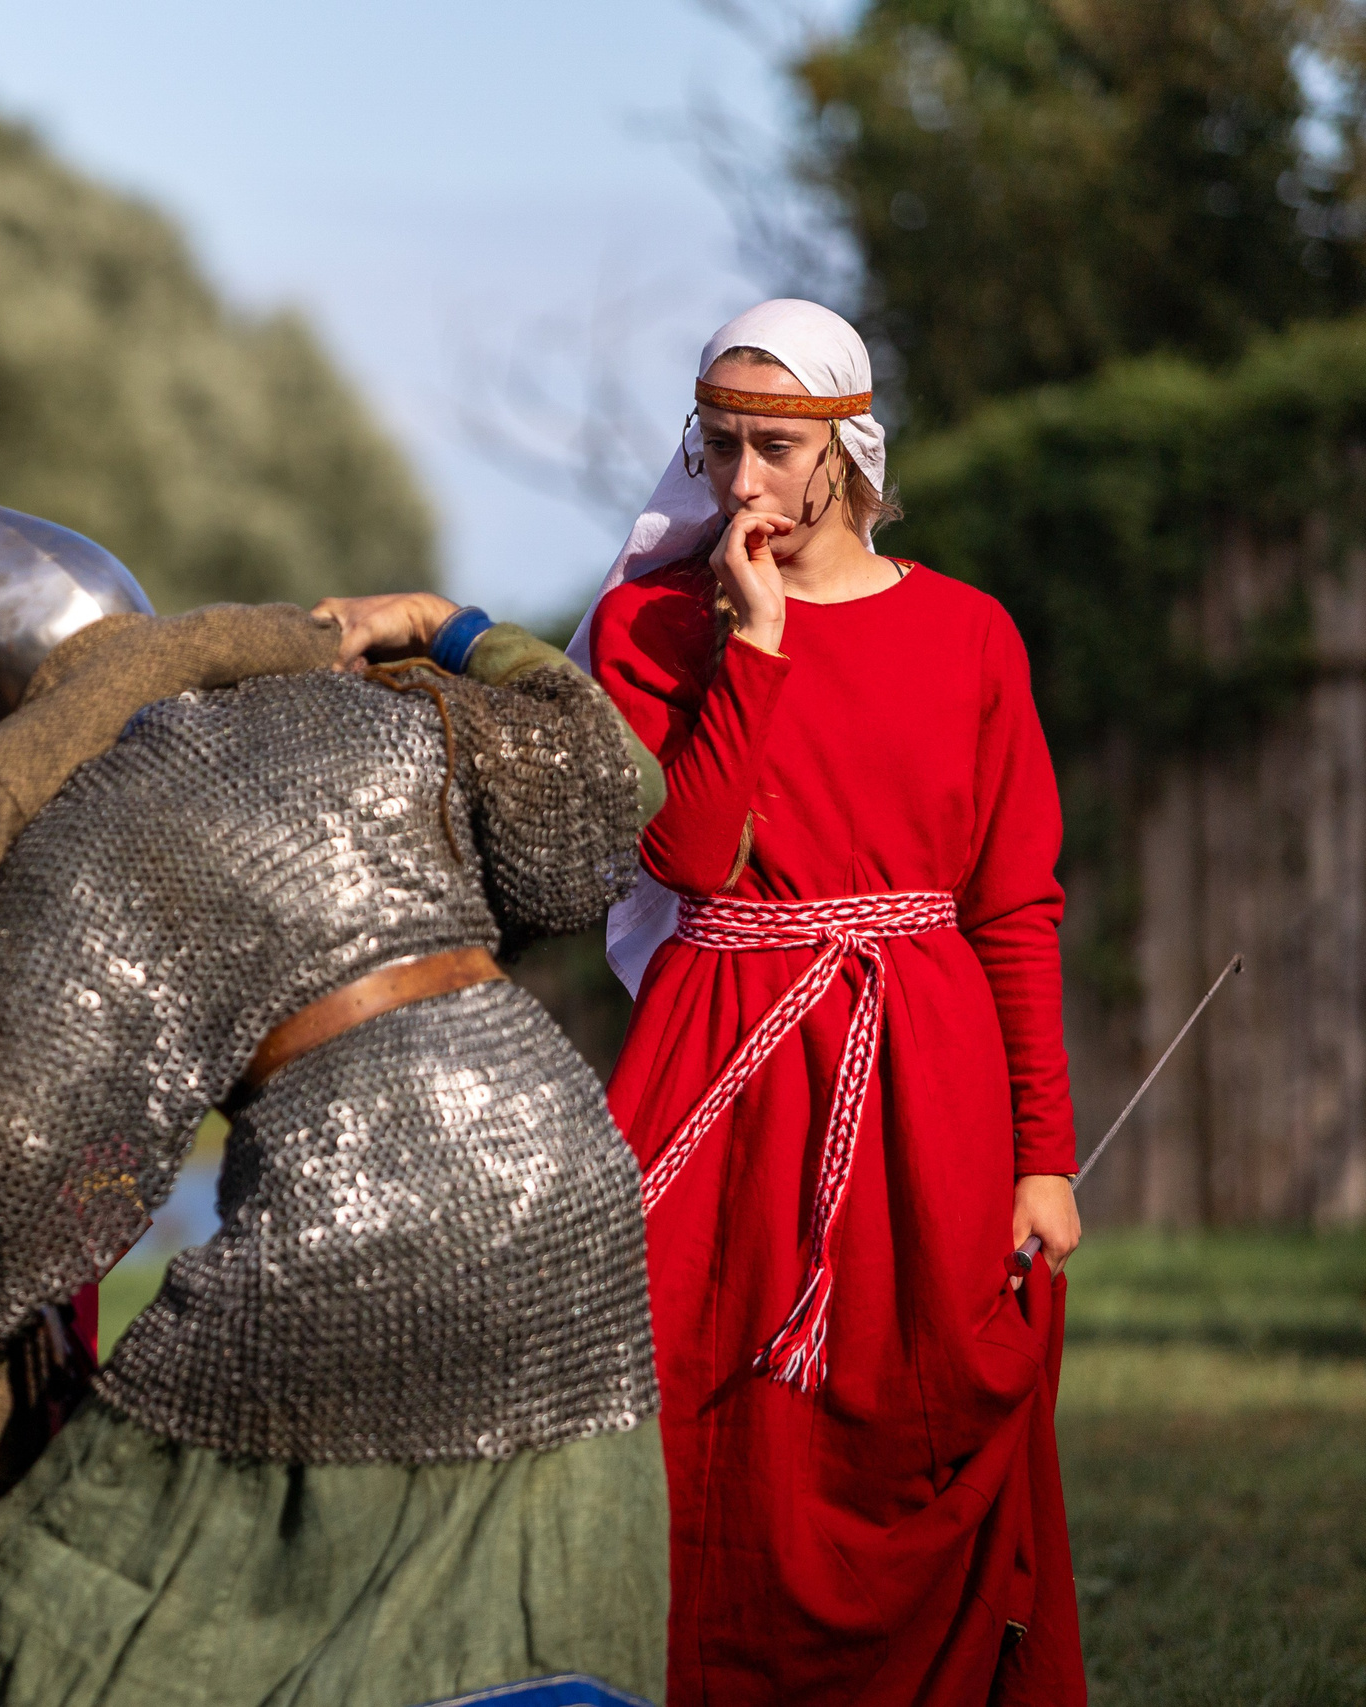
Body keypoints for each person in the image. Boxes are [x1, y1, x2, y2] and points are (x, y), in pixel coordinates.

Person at [325, 298, 1087, 1705]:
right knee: (670, 1385)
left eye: (774, 449)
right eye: (720, 444)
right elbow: (683, 852)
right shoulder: (651, 624)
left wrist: (1043, 1153)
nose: (742, 481)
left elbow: (1015, 909)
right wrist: (755, 644)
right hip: (715, 1042)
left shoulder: (971, 636)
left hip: (918, 1060)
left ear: (844, 452)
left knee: (903, 1394)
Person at [0, 527, 671, 1706]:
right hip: (571, 1165)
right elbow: (618, 784)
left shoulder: (83, 834)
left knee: (9, 1641)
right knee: (499, 1623)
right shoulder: (370, 714)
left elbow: (2, 1178)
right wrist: (452, 628)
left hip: (365, 1201)